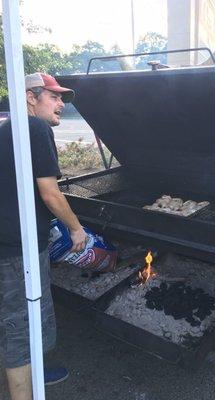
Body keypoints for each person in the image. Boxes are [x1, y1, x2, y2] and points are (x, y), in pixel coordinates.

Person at [0, 72, 87, 400]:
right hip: (15, 249)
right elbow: (50, 194)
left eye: (61, 97)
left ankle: (35, 371)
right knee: (20, 324)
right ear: (29, 98)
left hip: (12, 241)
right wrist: (76, 228)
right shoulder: (33, 128)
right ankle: (24, 388)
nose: (61, 103)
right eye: (53, 96)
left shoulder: (9, 129)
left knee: (26, 313)